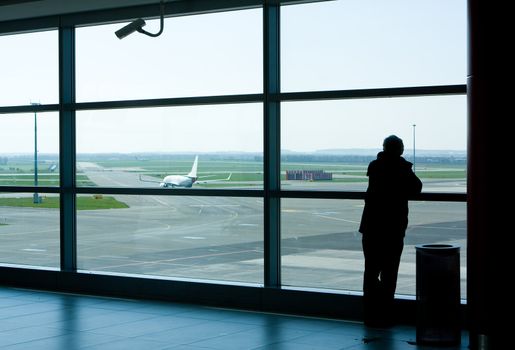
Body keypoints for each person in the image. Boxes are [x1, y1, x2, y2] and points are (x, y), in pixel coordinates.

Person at [359, 135, 422, 328]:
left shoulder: (375, 166)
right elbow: (417, 188)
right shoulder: (401, 168)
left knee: (370, 271)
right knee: (390, 271)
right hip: (393, 227)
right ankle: (385, 314)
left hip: (371, 225)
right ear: (400, 150)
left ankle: (370, 314)